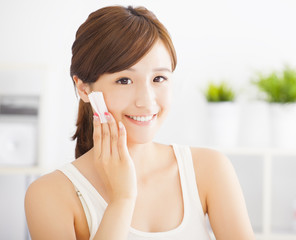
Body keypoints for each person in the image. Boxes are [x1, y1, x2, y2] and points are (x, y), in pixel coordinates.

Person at [25, 5, 255, 240]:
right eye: (124, 80)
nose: (146, 101)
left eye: (159, 78)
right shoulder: (49, 194)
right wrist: (123, 199)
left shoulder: (209, 169)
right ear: (84, 88)